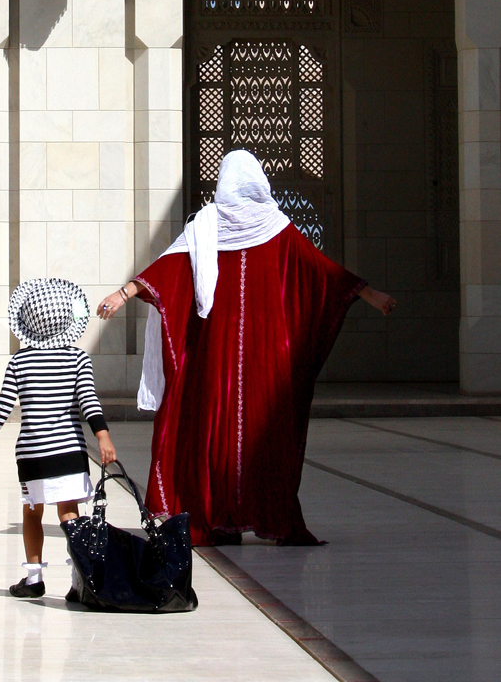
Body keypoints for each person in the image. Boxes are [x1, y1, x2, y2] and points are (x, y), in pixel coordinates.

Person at [97, 150, 395, 547]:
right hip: (250, 356)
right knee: (246, 436)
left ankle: (231, 518)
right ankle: (231, 518)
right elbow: (321, 272)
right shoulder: (223, 227)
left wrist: (124, 293)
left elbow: (319, 271)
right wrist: (370, 295)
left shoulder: (243, 226)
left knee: (233, 434)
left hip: (230, 357)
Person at [0, 277, 118, 598]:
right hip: (69, 453)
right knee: (70, 515)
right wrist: (103, 436)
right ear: (68, 318)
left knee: (32, 512)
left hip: (33, 455)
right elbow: (88, 402)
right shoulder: (77, 359)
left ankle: (33, 579)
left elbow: (2, 406)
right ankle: (78, 581)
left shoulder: (19, 361)